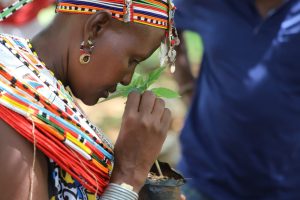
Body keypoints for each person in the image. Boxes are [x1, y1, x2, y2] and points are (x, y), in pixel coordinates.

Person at [0, 0, 178, 199]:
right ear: (96, 28)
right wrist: (128, 175)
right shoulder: (14, 114)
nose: (128, 79)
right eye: (132, 60)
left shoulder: (39, 92)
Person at [174, 0, 300, 199]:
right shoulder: (213, 4)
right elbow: (166, 18)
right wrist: (186, 85)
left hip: (285, 186)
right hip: (204, 179)